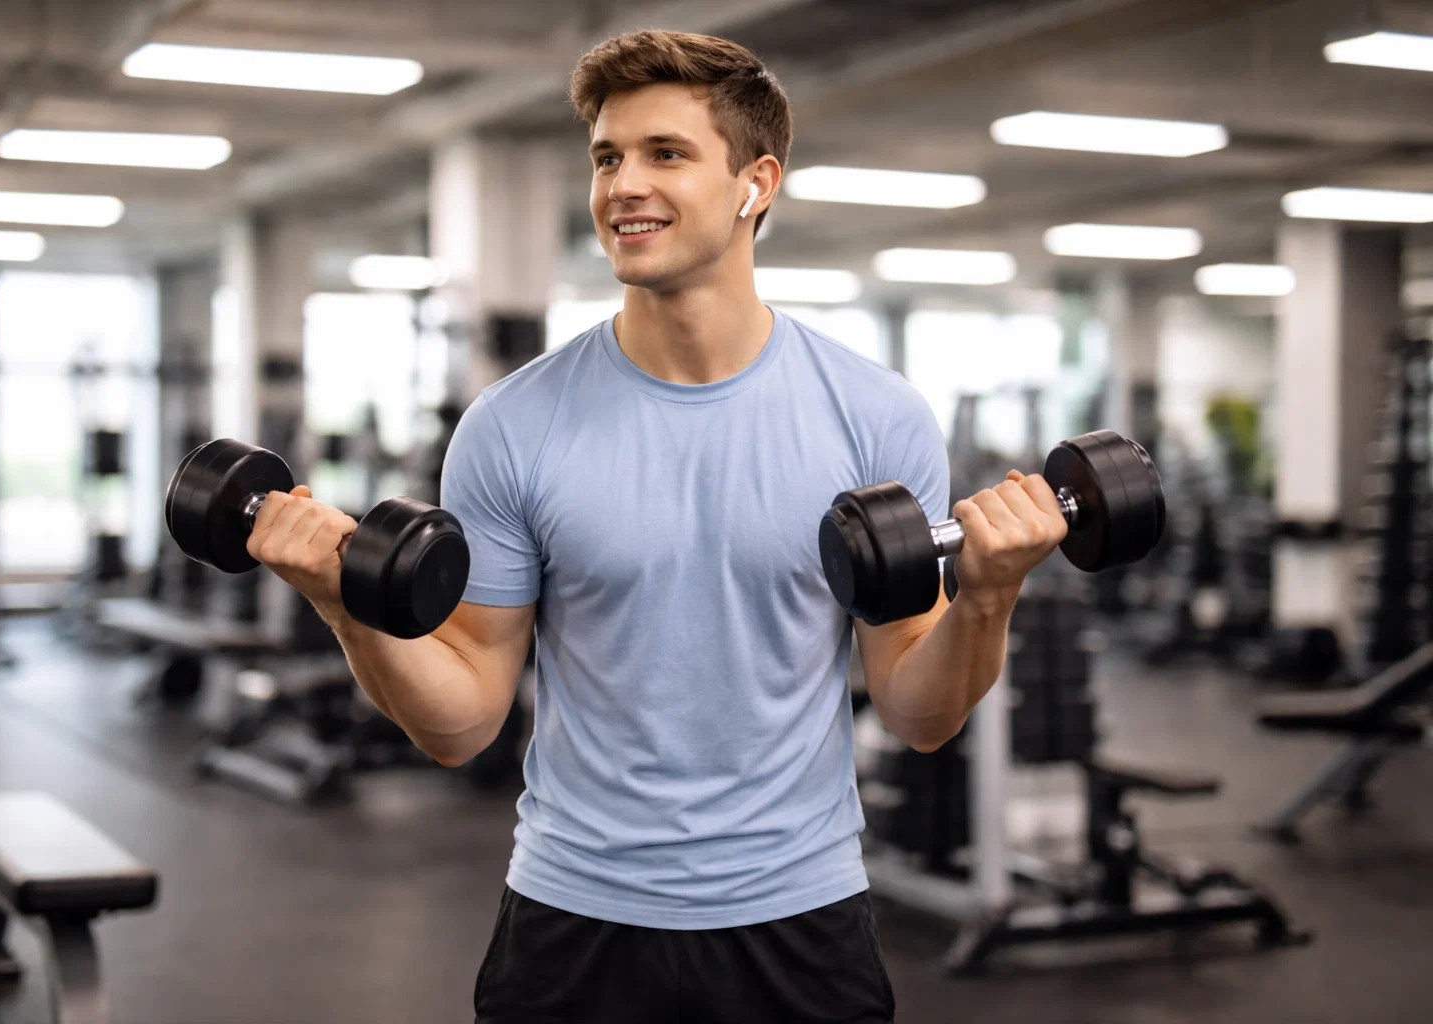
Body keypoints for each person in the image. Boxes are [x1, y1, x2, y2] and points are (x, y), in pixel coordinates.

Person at [247, 29, 1068, 1024]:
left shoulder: (874, 416)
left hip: (799, 920)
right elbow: (464, 721)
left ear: (754, 183)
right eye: (606, 157)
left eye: (665, 154)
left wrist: (989, 593)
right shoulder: (512, 426)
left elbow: (919, 711)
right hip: (574, 919)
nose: (621, 185)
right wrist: (342, 601)